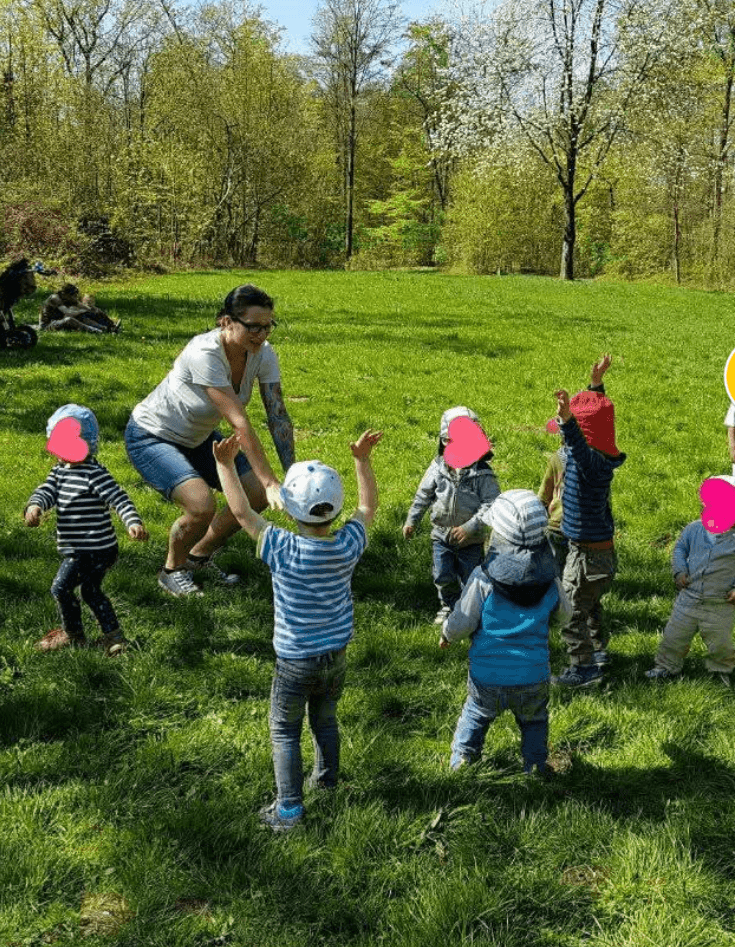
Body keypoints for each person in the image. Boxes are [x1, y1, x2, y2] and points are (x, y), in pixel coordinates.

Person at [213, 428, 382, 831]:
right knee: (325, 720)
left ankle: (288, 811)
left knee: (285, 731)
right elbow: (367, 508)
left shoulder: (282, 547)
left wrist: (225, 467)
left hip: (294, 662)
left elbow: (240, 513)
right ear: (335, 509)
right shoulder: (347, 546)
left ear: (288, 510)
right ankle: (327, 783)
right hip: (335, 657)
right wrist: (362, 460)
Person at [124, 284, 296, 598]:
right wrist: (271, 479)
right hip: (152, 435)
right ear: (226, 322)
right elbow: (239, 421)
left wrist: (293, 473)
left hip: (198, 437)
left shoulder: (263, 354)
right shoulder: (203, 353)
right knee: (201, 505)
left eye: (267, 326)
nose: (261, 334)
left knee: (255, 495)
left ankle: (197, 557)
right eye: (253, 327)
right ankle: (171, 570)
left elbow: (278, 414)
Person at [439, 490, 562, 774]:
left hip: (487, 676)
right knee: (534, 721)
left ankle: (463, 764)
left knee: (476, 714)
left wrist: (447, 633)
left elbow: (463, 620)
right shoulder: (550, 582)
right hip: (533, 675)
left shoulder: (484, 580)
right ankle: (535, 765)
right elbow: (565, 613)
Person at [25, 404, 148, 656]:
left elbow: (119, 499)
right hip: (80, 547)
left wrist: (133, 522)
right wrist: (36, 505)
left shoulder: (94, 473)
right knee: (90, 591)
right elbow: (47, 490)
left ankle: (73, 634)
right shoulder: (60, 471)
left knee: (60, 587)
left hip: (95, 549)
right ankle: (114, 637)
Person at [549, 354, 627, 689]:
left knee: (570, 612)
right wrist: (595, 384)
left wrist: (567, 419)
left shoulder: (588, 463)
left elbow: (579, 446)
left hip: (585, 556)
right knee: (590, 604)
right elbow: (595, 422)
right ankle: (598, 651)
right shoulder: (602, 459)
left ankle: (582, 670)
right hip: (600, 554)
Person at [646, 475, 735, 685]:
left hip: (719, 603)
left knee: (720, 643)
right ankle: (666, 666)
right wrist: (679, 571)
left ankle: (720, 669)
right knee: (673, 637)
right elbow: (680, 548)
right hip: (688, 599)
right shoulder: (694, 529)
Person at [403, 407, 500, 624]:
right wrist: (412, 520)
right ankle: (448, 605)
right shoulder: (437, 468)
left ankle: (472, 610)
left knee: (472, 576)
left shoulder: (482, 473)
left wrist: (471, 527)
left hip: (471, 538)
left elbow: (492, 503)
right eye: (448, 441)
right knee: (442, 574)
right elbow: (423, 495)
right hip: (441, 534)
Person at [537, 442, 569, 574]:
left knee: (554, 570)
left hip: (558, 522)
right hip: (583, 526)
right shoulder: (596, 460)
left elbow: (545, 493)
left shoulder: (558, 457)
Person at [40, 284, 120, 334]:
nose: (75, 298)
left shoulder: (69, 298)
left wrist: (93, 309)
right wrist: (82, 310)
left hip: (60, 320)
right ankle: (98, 331)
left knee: (84, 314)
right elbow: (69, 313)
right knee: (70, 319)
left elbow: (85, 307)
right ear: (66, 294)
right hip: (48, 324)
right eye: (74, 296)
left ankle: (111, 326)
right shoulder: (55, 298)